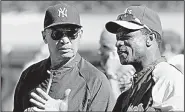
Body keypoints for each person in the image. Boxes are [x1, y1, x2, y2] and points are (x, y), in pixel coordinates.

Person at [13, 3, 115, 112]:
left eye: (72, 33)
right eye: (57, 33)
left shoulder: (95, 81)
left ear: (80, 35)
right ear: (44, 36)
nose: (65, 40)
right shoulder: (29, 76)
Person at [105, 5, 184, 111]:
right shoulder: (125, 96)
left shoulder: (168, 78)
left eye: (126, 36)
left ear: (150, 39)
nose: (118, 43)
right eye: (118, 38)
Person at [98, 28, 136, 99]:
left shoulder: (134, 80)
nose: (99, 51)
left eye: (105, 47)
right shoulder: (100, 76)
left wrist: (111, 75)